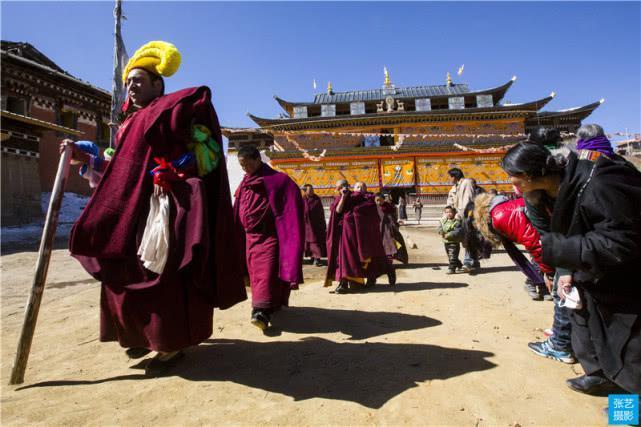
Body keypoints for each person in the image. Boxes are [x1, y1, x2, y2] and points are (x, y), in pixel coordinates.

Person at [65, 41, 247, 376]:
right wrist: (84, 156)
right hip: (129, 212)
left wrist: (179, 170)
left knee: (162, 277)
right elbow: (120, 170)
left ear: (158, 84)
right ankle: (140, 335)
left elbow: (204, 156)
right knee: (122, 272)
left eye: (138, 81)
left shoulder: (171, 112)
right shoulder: (128, 125)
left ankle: (170, 345)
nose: (131, 87)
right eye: (128, 82)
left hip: (163, 209)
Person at [501, 141, 641, 395]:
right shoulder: (544, 195)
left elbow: (622, 240)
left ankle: (629, 410)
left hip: (624, 277)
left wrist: (562, 250)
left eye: (516, 180)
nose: (514, 188)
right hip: (590, 272)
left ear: (531, 175)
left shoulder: (597, 184)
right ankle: (599, 375)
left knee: (627, 349)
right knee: (587, 329)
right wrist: (563, 271)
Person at [233, 146, 304, 331]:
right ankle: (272, 303)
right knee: (256, 275)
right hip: (250, 238)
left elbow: (291, 204)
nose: (245, 169)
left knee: (267, 272)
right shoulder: (245, 182)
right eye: (242, 165)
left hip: (270, 236)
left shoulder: (278, 180)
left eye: (247, 164)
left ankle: (260, 312)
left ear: (258, 160)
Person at [325, 180, 387, 294]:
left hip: (365, 236)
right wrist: (344, 197)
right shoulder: (350, 198)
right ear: (353, 188)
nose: (360, 189)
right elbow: (338, 211)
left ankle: (370, 278)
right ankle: (343, 283)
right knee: (347, 258)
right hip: (349, 234)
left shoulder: (369, 200)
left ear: (366, 189)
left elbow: (374, 219)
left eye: (363, 187)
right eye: (358, 187)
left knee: (367, 258)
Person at [447, 168, 480, 273]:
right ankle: (471, 261)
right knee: (464, 238)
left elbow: (467, 200)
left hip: (467, 215)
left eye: (450, 177)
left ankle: (468, 262)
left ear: (454, 176)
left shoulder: (466, 183)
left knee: (468, 238)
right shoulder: (455, 187)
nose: (449, 179)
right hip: (459, 215)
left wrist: (462, 215)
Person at [374, 193, 408, 286]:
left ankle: (391, 277)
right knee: (375, 260)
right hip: (376, 236)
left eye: (380, 200)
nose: (378, 202)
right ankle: (372, 280)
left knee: (389, 258)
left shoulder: (389, 209)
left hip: (388, 236)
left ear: (383, 200)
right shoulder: (372, 210)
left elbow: (393, 222)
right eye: (376, 200)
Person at [301, 184, 327, 266]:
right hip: (305, 225)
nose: (312, 191)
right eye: (310, 190)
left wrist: (323, 224)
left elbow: (321, 212)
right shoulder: (302, 200)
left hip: (316, 225)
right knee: (306, 243)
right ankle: (311, 257)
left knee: (315, 242)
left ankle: (317, 259)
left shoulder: (317, 199)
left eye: (312, 190)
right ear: (305, 192)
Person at [437, 206, 463, 274]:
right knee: (451, 256)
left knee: (452, 256)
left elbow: (457, 231)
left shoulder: (457, 222)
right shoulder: (444, 221)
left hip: (454, 242)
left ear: (454, 213)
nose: (449, 214)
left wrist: (449, 235)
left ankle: (452, 269)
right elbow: (440, 228)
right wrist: (440, 231)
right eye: (447, 212)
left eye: (450, 212)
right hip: (446, 242)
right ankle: (459, 265)